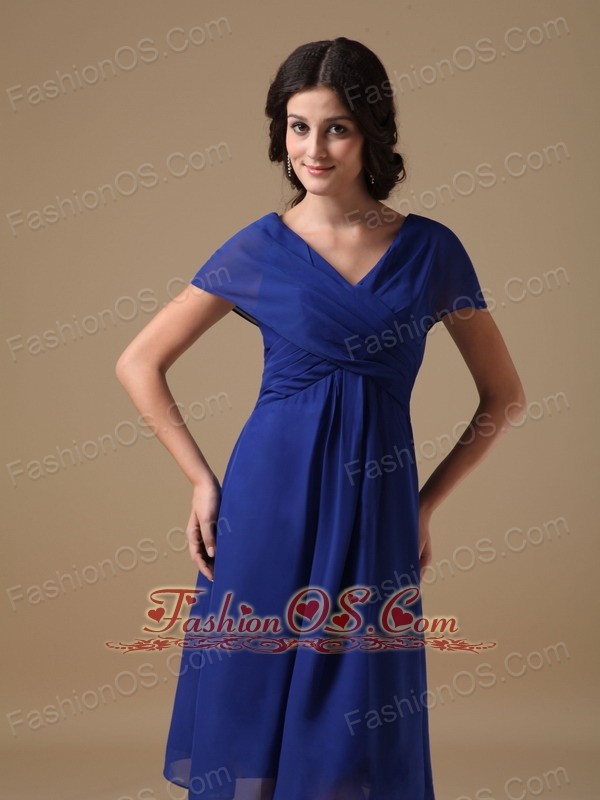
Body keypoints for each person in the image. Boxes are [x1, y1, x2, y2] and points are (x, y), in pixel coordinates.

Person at [116, 36, 525, 800]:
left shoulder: (432, 251)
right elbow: (138, 362)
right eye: (298, 127)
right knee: (253, 694)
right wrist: (201, 482)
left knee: (358, 717)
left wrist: (423, 505)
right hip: (267, 501)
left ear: (371, 132)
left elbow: (504, 395)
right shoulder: (260, 248)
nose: (313, 148)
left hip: (376, 509)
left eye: (335, 127)